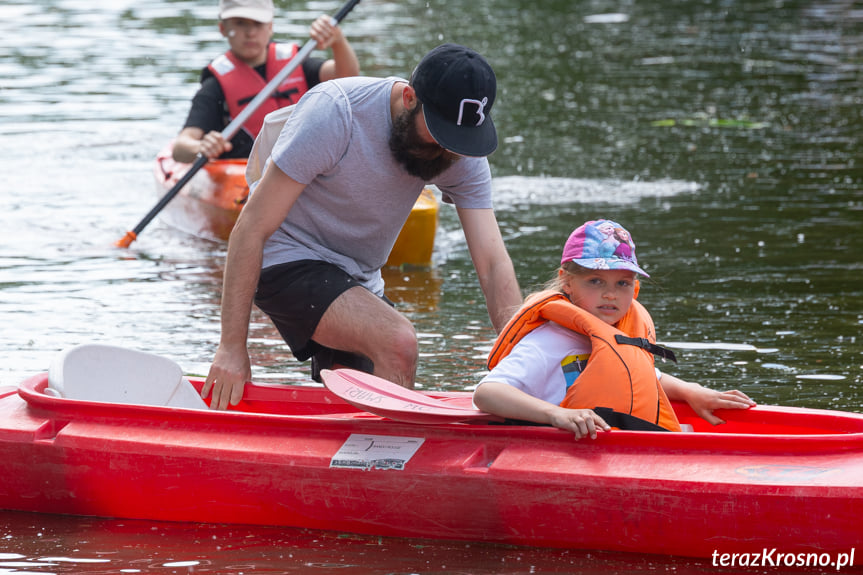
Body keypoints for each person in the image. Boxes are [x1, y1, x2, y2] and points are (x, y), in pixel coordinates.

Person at [202, 43, 522, 410]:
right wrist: (231, 348)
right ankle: (389, 458)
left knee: (361, 396)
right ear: (409, 98)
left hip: (358, 277)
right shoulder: (336, 114)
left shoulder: (459, 151)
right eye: (439, 134)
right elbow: (251, 228)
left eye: (459, 142)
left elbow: (494, 265)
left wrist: (521, 364)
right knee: (398, 341)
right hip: (284, 255)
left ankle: (358, 452)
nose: (447, 152)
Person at [473, 219, 755, 439]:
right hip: (553, 447)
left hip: (614, 446)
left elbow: (646, 376)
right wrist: (555, 415)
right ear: (567, 282)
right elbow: (487, 393)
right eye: (595, 281)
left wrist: (691, 391)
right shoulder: (548, 341)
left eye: (622, 283)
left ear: (635, 288)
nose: (611, 294)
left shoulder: (620, 335)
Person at [172, 0, 360, 163]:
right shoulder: (215, 86)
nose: (250, 32)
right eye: (239, 23)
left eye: (258, 23)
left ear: (270, 27)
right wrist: (201, 147)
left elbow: (347, 77)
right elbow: (180, 147)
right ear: (223, 29)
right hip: (245, 173)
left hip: (302, 164)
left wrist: (338, 41)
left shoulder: (296, 62)